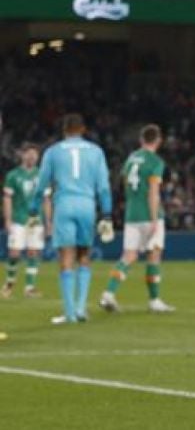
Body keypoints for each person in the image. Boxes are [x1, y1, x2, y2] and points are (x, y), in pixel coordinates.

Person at [35, 113, 114, 324]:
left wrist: (34, 210)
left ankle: (69, 312)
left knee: (66, 256)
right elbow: (104, 186)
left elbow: (42, 183)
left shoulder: (53, 152)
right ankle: (81, 308)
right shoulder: (96, 152)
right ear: (83, 129)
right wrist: (106, 213)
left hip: (64, 204)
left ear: (64, 130)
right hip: (87, 205)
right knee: (84, 254)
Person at [99, 124, 175, 314]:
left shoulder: (131, 159)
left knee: (129, 255)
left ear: (141, 140)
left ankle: (108, 293)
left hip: (132, 213)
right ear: (158, 141)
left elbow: (124, 183)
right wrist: (155, 218)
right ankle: (154, 300)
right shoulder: (156, 162)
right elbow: (153, 193)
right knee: (154, 255)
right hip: (148, 214)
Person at [3, 144, 45, 299]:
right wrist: (7, 219)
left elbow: (46, 199)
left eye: (35, 154)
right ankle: (9, 284)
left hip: (36, 220)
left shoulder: (42, 175)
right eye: (29, 154)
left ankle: (29, 287)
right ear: (22, 155)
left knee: (33, 252)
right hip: (18, 219)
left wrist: (49, 221)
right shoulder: (13, 175)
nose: (32, 157)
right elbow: (7, 199)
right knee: (14, 253)